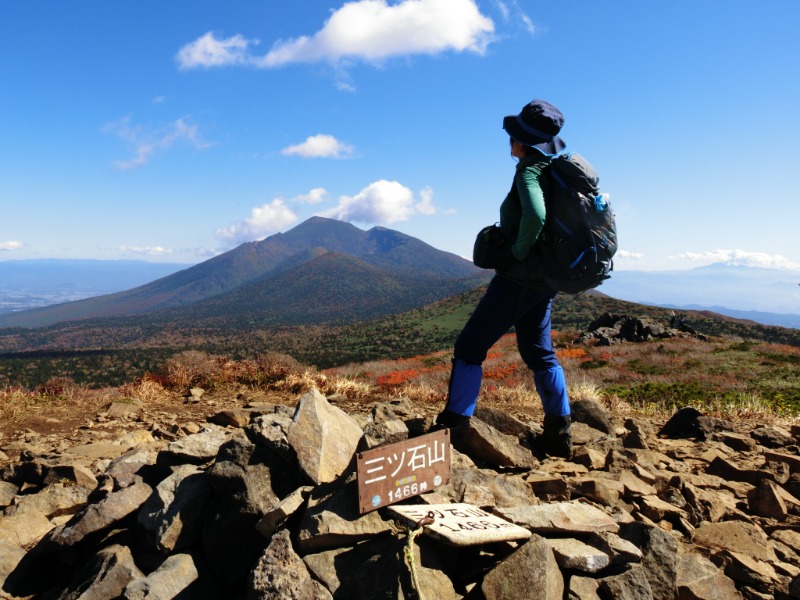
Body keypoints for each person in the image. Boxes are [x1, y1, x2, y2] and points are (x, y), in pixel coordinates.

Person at [435, 99, 573, 458]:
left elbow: (536, 217)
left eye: (512, 136)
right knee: (539, 353)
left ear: (522, 141)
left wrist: (515, 253)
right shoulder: (555, 171)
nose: (509, 141)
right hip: (544, 281)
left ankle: (454, 424)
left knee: (469, 347)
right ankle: (560, 433)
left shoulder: (529, 171)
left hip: (518, 279)